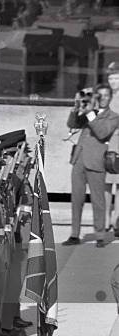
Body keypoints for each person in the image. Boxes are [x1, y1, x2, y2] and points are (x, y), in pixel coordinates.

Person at [63, 83, 119, 248]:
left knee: (98, 200)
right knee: (77, 198)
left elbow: (102, 133)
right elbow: (72, 124)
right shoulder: (90, 111)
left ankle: (100, 235)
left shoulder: (113, 117)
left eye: (106, 96)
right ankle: (74, 235)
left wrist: (89, 114)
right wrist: (76, 106)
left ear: (111, 98)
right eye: (99, 95)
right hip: (79, 160)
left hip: (96, 161)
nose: (103, 98)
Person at [105, 62, 119, 236]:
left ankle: (117, 218)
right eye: (110, 78)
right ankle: (106, 218)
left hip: (116, 144)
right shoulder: (105, 96)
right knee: (105, 184)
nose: (113, 81)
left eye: (116, 78)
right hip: (105, 144)